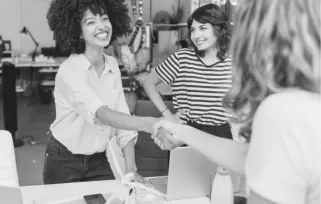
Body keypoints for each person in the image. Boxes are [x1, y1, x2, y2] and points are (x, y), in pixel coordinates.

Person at [152, 0, 320, 203]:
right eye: (193, 29)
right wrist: (178, 126)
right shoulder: (303, 103)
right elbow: (252, 159)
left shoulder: (280, 110)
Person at [44, 0, 161, 184]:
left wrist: (131, 169)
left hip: (98, 160)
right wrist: (150, 124)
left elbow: (122, 115)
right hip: (63, 161)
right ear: (78, 32)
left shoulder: (112, 65)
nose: (102, 26)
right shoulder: (69, 71)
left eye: (105, 18)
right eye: (90, 22)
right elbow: (102, 114)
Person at [144, 4, 234, 144]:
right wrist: (167, 114)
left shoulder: (233, 62)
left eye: (203, 28)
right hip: (186, 132)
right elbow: (148, 82)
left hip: (222, 134)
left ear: (219, 29)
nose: (196, 35)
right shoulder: (182, 58)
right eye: (193, 30)